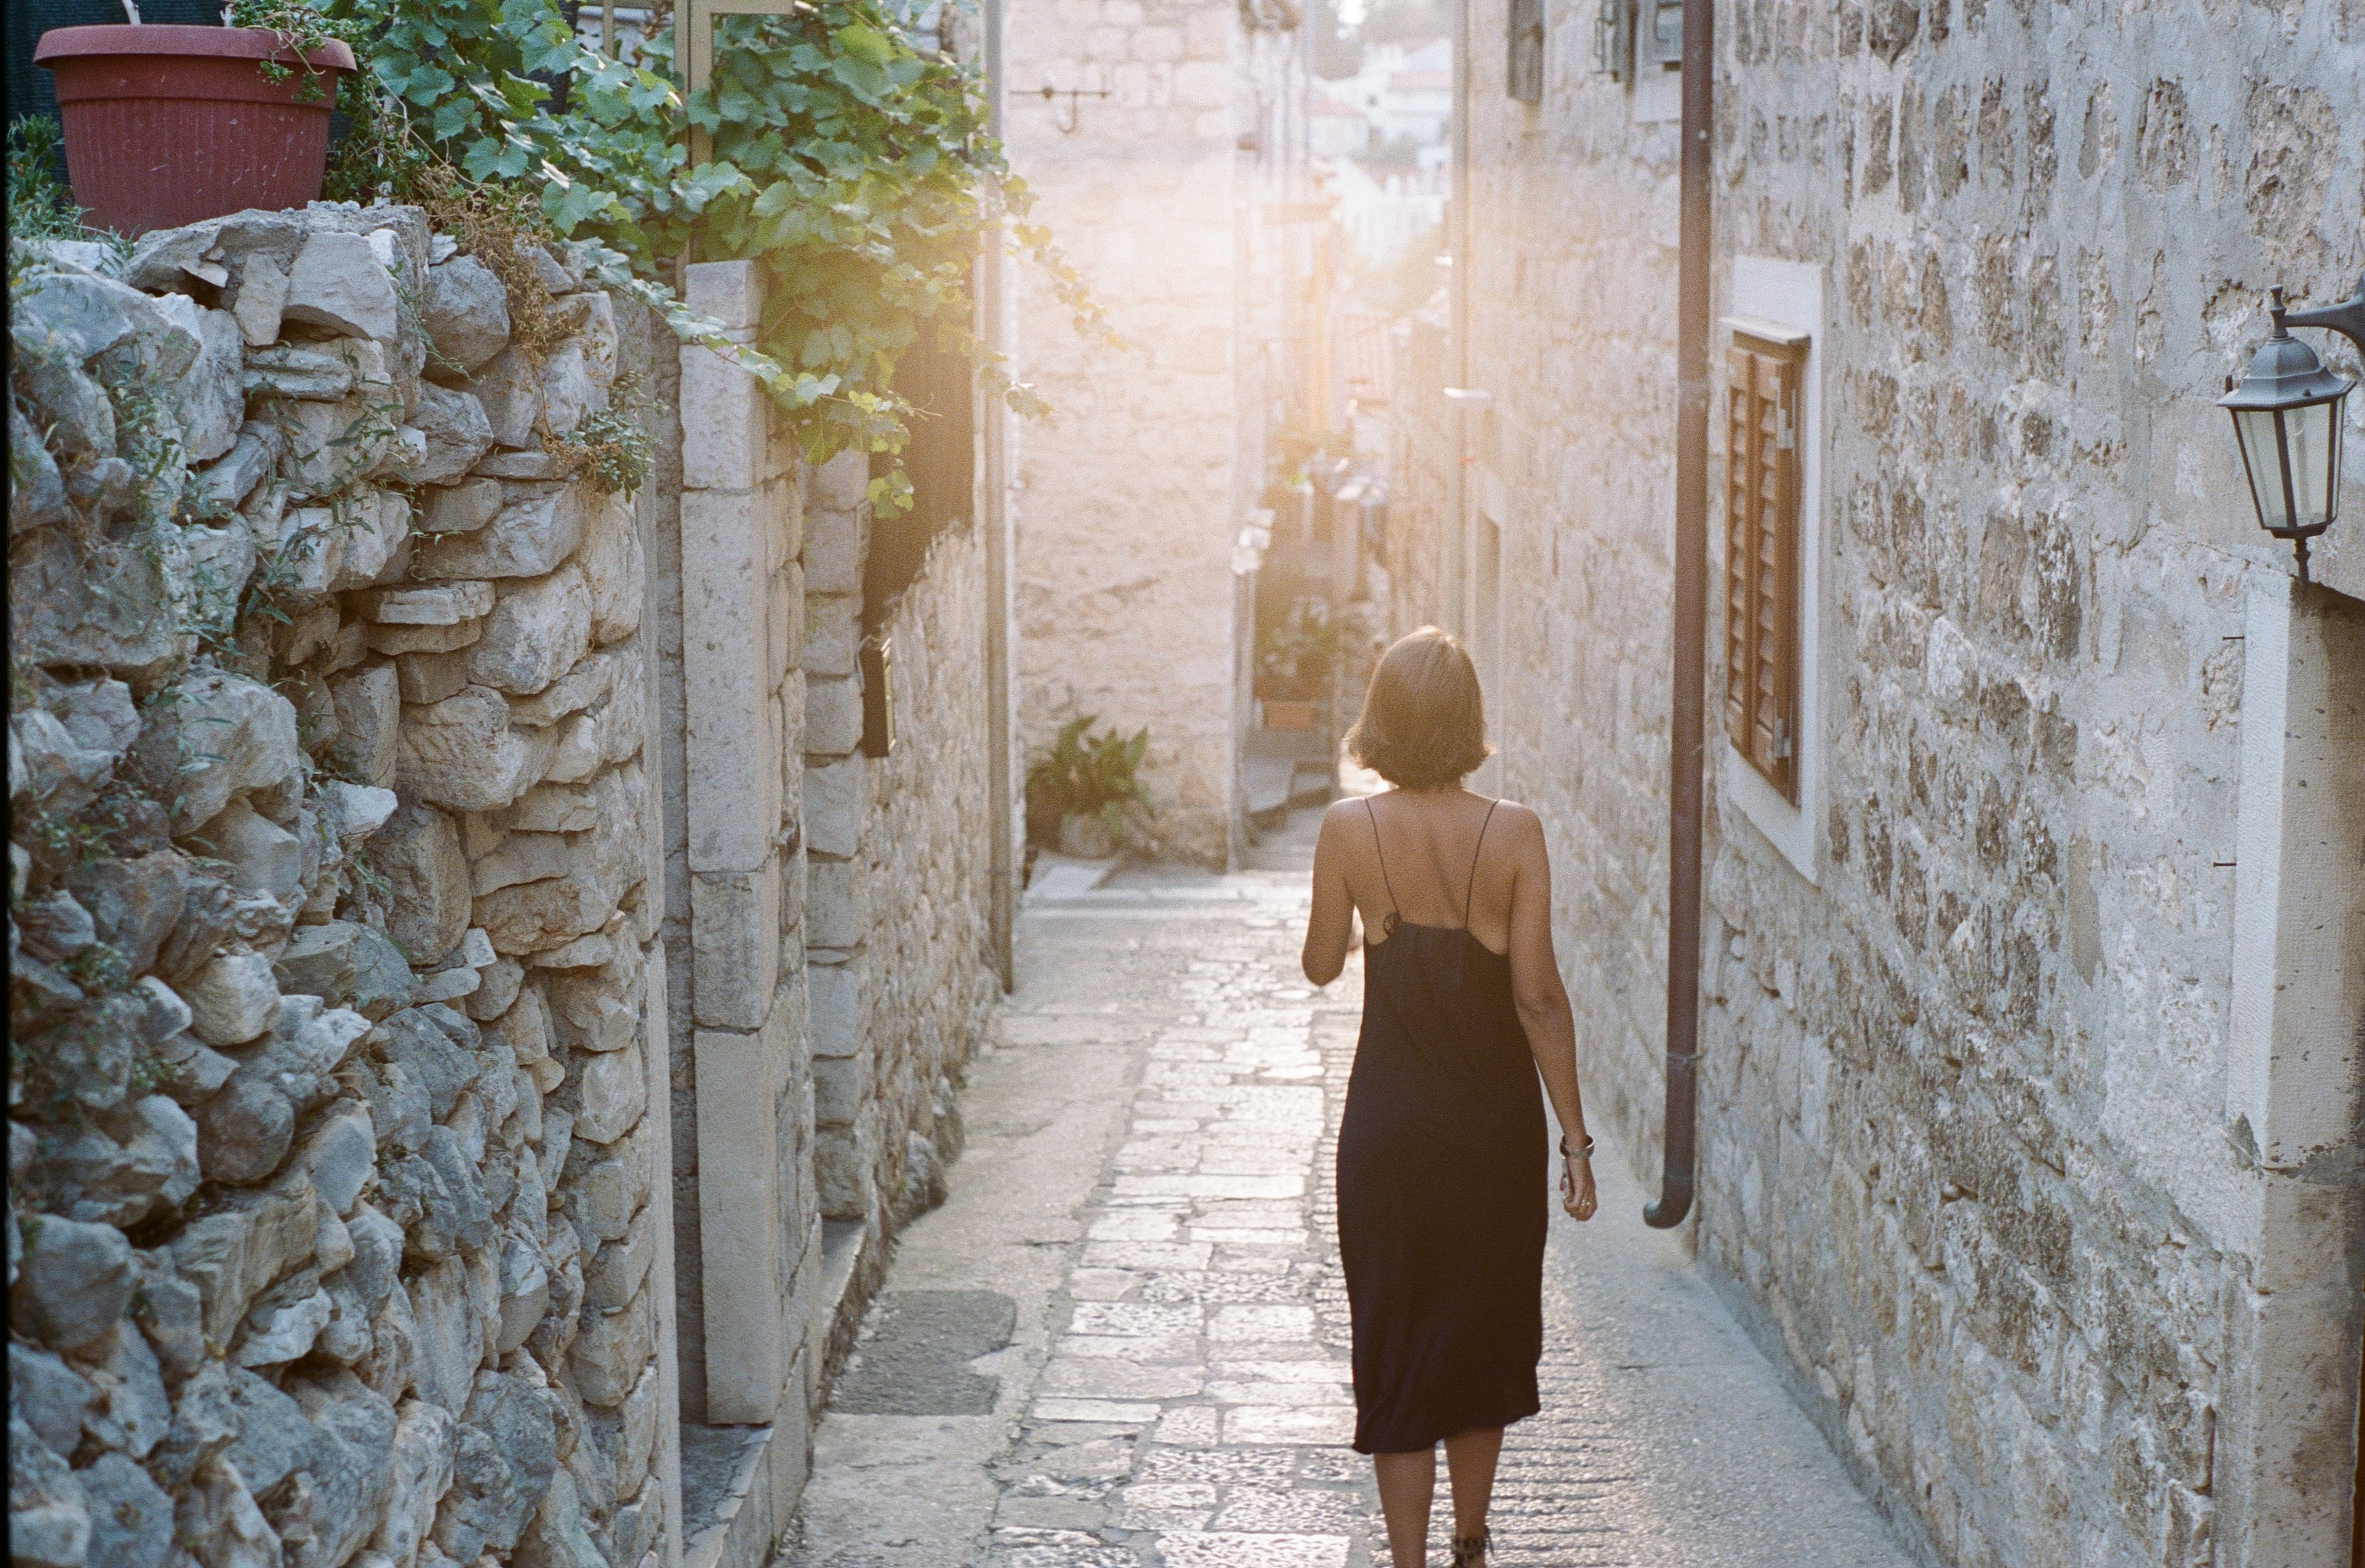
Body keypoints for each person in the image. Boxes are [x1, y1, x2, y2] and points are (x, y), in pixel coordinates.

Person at [1300, 626, 1597, 1568]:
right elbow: (1538, 997)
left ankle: (1407, 1560)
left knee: (1393, 1335)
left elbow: (1315, 965)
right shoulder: (1514, 832)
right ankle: (1471, 1544)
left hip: (1386, 1131)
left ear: (1379, 718)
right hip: (1490, 1133)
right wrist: (1575, 1143)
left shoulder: (1347, 829)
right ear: (1468, 720)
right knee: (1479, 1332)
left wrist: (1365, 923)